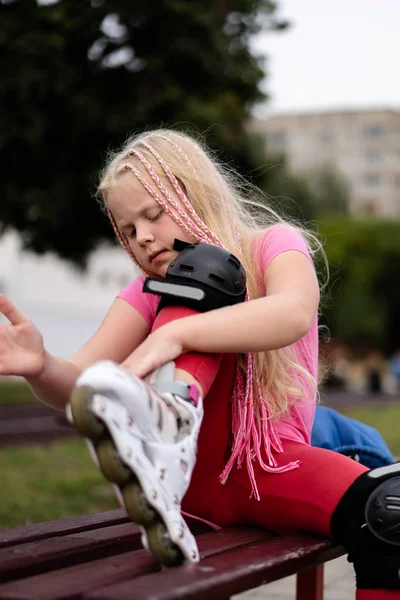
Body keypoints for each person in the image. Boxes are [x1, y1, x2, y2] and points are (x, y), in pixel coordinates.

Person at [0, 130, 399, 599]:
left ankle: (169, 413)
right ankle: (168, 430)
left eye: (153, 214)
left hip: (267, 468)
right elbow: (87, 384)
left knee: (387, 514)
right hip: (190, 480)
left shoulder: (274, 244)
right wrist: (41, 364)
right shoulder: (147, 292)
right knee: (202, 275)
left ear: (195, 193)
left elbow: (293, 313)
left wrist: (174, 335)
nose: (143, 238)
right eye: (127, 231)